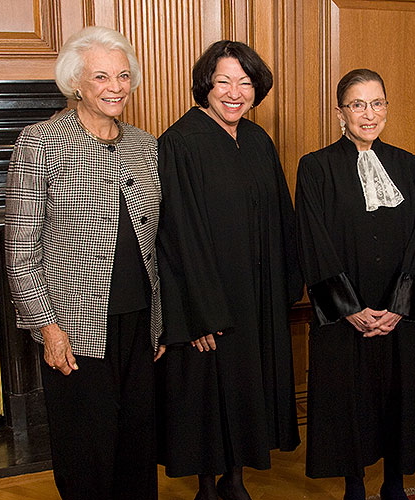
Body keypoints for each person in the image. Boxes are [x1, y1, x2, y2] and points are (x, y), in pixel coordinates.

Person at [5, 26, 164, 500]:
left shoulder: (144, 144)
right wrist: (48, 329)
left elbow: (159, 241)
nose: (116, 87)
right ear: (76, 82)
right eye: (101, 77)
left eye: (123, 76)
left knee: (137, 446)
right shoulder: (41, 142)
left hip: (138, 322)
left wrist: (160, 321)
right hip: (75, 327)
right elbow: (20, 247)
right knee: (87, 453)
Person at [155, 40, 302, 500]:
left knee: (246, 388)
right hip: (209, 298)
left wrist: (284, 287)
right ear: (206, 85)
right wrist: (199, 314)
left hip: (255, 293)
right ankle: (206, 483)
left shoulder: (258, 140)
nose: (235, 92)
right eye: (224, 81)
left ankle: (235, 477)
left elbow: (281, 215)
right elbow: (175, 236)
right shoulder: (179, 142)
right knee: (207, 393)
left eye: (245, 82)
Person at [295, 68, 415, 500]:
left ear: (387, 108)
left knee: (397, 397)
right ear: (340, 112)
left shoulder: (412, 167)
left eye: (376, 103)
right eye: (357, 104)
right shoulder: (315, 168)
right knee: (346, 400)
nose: (368, 114)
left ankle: (395, 483)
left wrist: (401, 305)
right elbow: (313, 241)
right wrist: (348, 309)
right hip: (343, 315)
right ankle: (354, 483)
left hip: (397, 312)